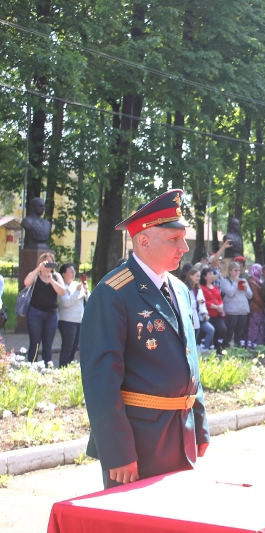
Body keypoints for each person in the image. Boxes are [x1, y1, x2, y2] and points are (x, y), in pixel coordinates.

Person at [80, 189, 209, 489]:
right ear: (144, 241)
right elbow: (101, 380)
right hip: (140, 442)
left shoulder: (179, 289)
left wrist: (199, 424)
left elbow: (189, 359)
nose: (185, 247)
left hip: (181, 432)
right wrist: (117, 451)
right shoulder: (113, 293)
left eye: (184, 238)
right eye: (174, 239)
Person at [23, 252, 66, 364]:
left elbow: (62, 291)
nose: (49, 264)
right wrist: (38, 269)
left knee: (48, 345)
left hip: (51, 315)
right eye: (46, 262)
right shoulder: (36, 275)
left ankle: (47, 369)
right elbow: (27, 282)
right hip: (35, 314)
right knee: (35, 343)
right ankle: (31, 367)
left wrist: (51, 281)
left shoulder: (56, 276)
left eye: (51, 262)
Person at [57, 263, 89, 367]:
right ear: (64, 274)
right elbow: (65, 302)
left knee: (75, 348)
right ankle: (62, 368)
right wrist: (77, 292)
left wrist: (86, 290)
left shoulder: (76, 284)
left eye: (74, 271)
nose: (73, 273)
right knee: (67, 347)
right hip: (67, 321)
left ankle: (69, 368)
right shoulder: (62, 287)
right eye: (70, 271)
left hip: (79, 320)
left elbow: (89, 300)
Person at [220, 262, 252, 347]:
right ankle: (225, 349)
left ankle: (238, 349)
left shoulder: (243, 280)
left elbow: (250, 296)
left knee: (240, 332)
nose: (237, 272)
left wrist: (245, 289)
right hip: (231, 311)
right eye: (235, 270)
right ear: (230, 271)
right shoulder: (225, 281)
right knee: (229, 332)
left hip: (243, 310)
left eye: (238, 270)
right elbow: (230, 293)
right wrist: (235, 282)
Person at [185, 268, 214, 352]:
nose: (199, 278)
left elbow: (202, 303)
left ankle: (203, 349)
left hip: (198, 316)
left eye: (199, 276)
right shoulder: (186, 288)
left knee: (209, 330)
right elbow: (186, 303)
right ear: (191, 276)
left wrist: (205, 313)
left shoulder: (198, 289)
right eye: (197, 276)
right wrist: (196, 303)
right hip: (190, 316)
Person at [200, 268, 227, 353]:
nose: (212, 276)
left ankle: (218, 348)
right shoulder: (202, 288)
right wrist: (215, 307)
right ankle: (209, 348)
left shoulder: (215, 287)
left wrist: (221, 306)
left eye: (212, 274)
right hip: (209, 314)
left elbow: (220, 298)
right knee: (211, 331)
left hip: (218, 314)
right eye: (210, 274)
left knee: (222, 330)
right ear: (204, 277)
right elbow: (203, 301)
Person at [246, 264, 265, 346]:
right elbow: (256, 297)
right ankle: (253, 344)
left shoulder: (257, 280)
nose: (261, 273)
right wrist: (264, 306)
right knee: (254, 329)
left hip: (259, 308)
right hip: (255, 308)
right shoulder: (252, 281)